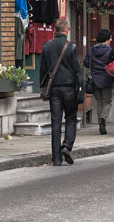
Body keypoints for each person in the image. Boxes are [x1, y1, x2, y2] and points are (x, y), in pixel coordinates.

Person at [39, 18, 83, 166]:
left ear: (55, 30)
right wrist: (80, 88)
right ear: (66, 30)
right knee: (70, 118)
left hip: (54, 88)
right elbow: (77, 70)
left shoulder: (47, 46)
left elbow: (43, 71)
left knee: (55, 121)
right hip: (69, 87)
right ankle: (67, 146)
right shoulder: (70, 47)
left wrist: (42, 87)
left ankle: (56, 158)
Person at [83, 28, 114, 135]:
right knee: (107, 102)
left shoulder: (92, 50)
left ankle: (101, 124)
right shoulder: (110, 51)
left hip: (95, 80)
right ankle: (102, 119)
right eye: (110, 38)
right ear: (107, 39)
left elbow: (86, 63)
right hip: (107, 79)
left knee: (99, 102)